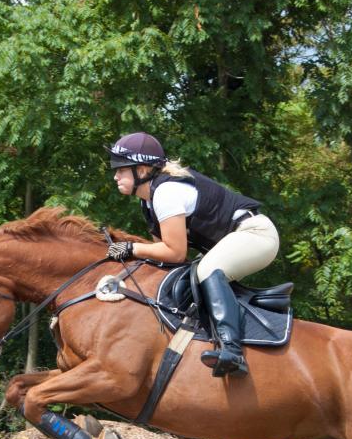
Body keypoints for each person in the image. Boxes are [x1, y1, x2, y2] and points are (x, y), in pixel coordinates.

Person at [105, 132, 279, 377]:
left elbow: (175, 252)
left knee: (208, 270)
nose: (115, 176)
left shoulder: (167, 193)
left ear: (142, 170)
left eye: (121, 169)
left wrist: (131, 248)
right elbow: (163, 256)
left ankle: (232, 351)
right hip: (240, 237)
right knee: (193, 275)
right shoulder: (148, 202)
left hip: (257, 234)